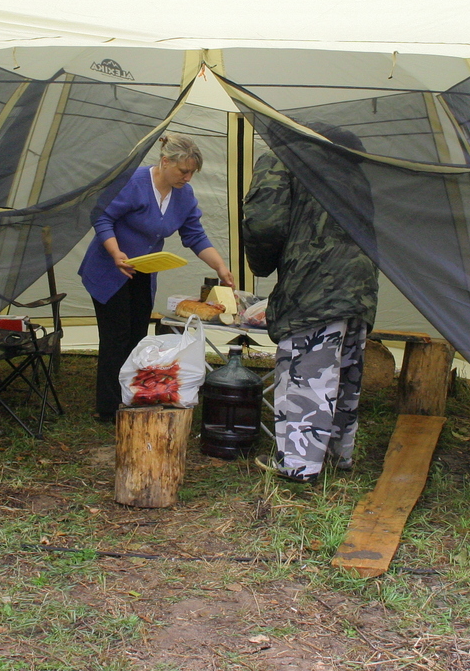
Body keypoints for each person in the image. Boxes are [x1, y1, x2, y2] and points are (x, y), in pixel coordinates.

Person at [242, 125, 379, 482]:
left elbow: (263, 223)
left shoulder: (283, 157)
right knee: (344, 372)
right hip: (360, 282)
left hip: (313, 283)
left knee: (307, 375)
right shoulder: (352, 169)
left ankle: (299, 466)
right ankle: (337, 456)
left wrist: (261, 265)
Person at [80, 134, 234, 421]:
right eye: (182, 171)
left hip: (143, 271)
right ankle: (109, 408)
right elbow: (102, 217)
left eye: (192, 173)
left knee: (139, 336)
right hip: (110, 268)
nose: (187, 178)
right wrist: (116, 253)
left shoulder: (184, 195)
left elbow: (194, 234)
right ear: (165, 162)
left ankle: (134, 395)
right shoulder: (133, 181)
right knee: (116, 337)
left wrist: (220, 267)